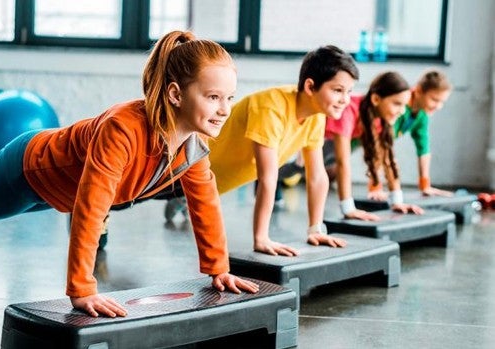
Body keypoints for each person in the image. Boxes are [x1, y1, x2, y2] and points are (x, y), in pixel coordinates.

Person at [0, 30, 259, 318]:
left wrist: (218, 270)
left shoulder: (192, 148)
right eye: (213, 97)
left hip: (56, 191)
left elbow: (204, 205)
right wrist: (82, 288)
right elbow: (92, 208)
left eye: (230, 97)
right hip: (29, 168)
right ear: (176, 94)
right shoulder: (124, 128)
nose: (225, 109)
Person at [165, 45, 358, 256]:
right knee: (125, 198)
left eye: (349, 92)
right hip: (179, 170)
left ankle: (182, 200)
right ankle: (179, 198)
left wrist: (316, 229)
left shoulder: (316, 116)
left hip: (208, 184)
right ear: (311, 87)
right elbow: (267, 178)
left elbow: (317, 176)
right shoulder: (271, 107)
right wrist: (261, 238)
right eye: (338, 90)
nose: (345, 99)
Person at [324, 71, 424, 220]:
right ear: (376, 99)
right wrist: (348, 209)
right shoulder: (349, 109)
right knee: (293, 168)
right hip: (317, 140)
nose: (402, 111)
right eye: (397, 104)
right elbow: (342, 162)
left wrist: (397, 201)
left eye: (404, 105)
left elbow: (388, 159)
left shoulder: (381, 119)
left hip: (334, 141)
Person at [386, 69, 453, 198]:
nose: (438, 106)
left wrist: (425, 184)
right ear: (419, 90)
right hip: (345, 138)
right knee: (334, 170)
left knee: (334, 172)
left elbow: (424, 150)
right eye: (434, 99)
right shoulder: (400, 104)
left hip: (359, 145)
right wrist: (375, 187)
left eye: (442, 102)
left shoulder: (422, 115)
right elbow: (383, 147)